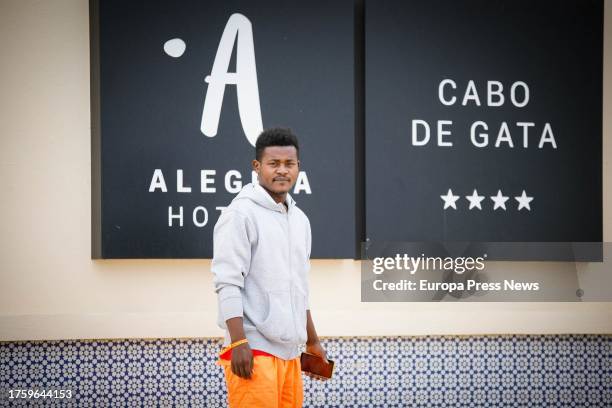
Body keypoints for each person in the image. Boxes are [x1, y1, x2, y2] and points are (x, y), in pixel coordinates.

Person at [212, 127, 328, 408]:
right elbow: (227, 282)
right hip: (253, 351)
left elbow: (299, 288)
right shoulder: (239, 215)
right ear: (257, 166)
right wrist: (238, 343)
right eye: (273, 163)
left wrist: (312, 341)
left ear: (298, 166)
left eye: (289, 164)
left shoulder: (300, 219)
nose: (282, 171)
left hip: (290, 355)